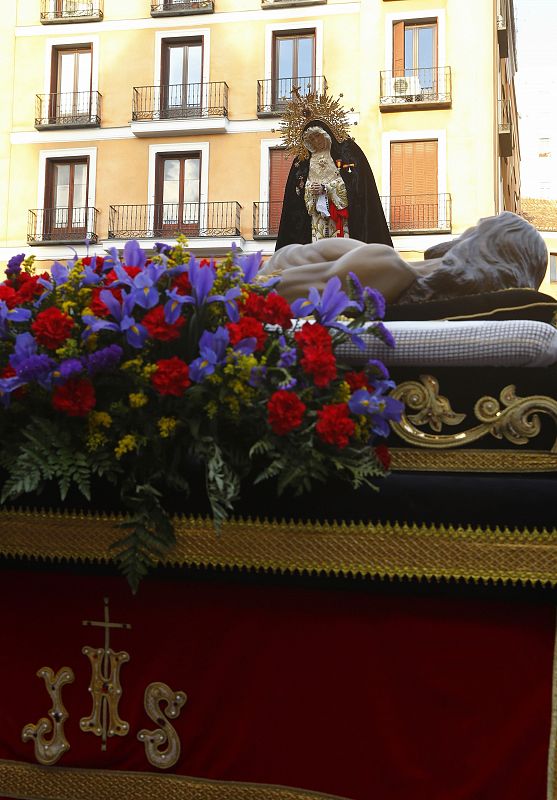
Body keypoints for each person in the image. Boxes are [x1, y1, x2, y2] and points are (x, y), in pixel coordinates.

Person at [261, 212, 548, 305]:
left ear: (482, 247)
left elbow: (266, 290)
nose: (468, 230)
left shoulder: (388, 268)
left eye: (478, 228)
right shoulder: (388, 263)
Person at [275, 119, 393, 251]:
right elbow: (299, 189)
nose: (316, 141)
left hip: (340, 219)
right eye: (312, 138)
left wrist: (326, 188)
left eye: (318, 136)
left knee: (342, 253)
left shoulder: (345, 155)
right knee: (319, 254)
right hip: (317, 220)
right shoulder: (304, 162)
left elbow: (354, 184)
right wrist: (310, 189)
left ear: (325, 134)